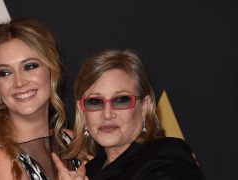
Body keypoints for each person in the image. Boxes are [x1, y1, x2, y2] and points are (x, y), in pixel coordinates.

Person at [52, 49, 205, 180]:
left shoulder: (167, 156)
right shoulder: (88, 171)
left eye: (121, 100)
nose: (107, 114)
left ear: (145, 106)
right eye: (95, 102)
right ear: (81, 110)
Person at [0, 17, 80, 180]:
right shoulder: (1, 161)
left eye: (30, 66)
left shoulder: (72, 142)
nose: (19, 82)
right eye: (5, 73)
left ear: (52, 71)